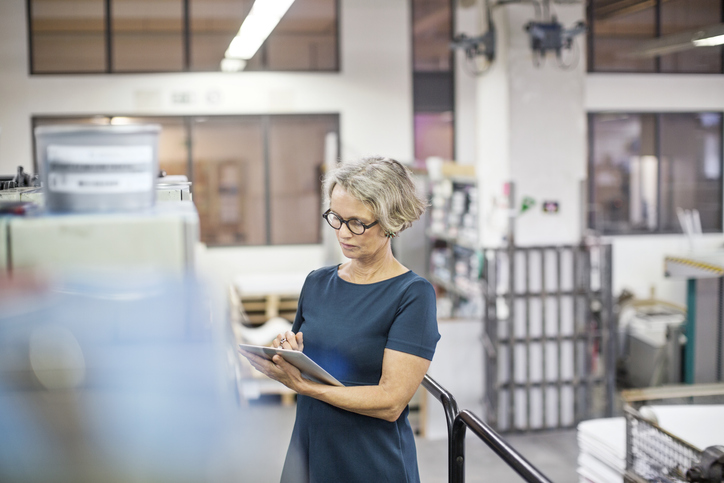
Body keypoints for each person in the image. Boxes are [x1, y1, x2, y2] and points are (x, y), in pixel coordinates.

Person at [239, 156, 440, 483]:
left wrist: (307, 387)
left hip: (370, 460)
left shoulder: (412, 295)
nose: (343, 233)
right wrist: (288, 355)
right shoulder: (318, 282)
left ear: (390, 222)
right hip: (310, 448)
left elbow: (390, 402)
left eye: (357, 222)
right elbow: (306, 355)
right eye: (336, 218)